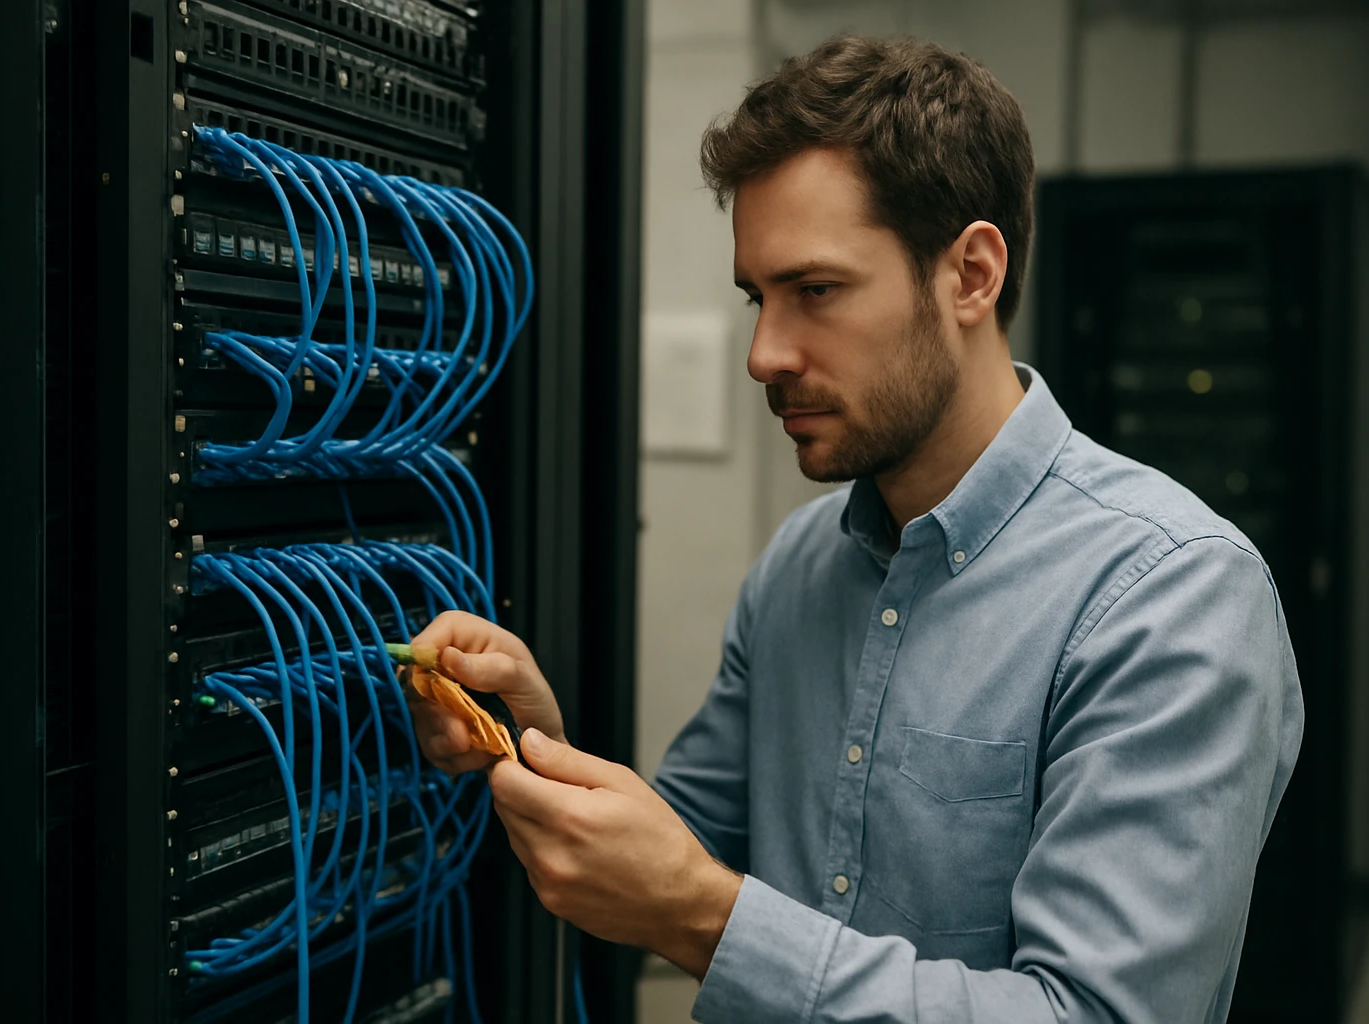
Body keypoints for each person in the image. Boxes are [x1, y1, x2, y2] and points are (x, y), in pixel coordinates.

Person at [409, 34, 1304, 1023]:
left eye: (816, 292)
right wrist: (531, 742)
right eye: (758, 297)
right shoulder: (800, 565)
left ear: (970, 274)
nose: (763, 352)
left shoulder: (1169, 594)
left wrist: (705, 921)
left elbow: (1093, 1012)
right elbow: (681, 854)